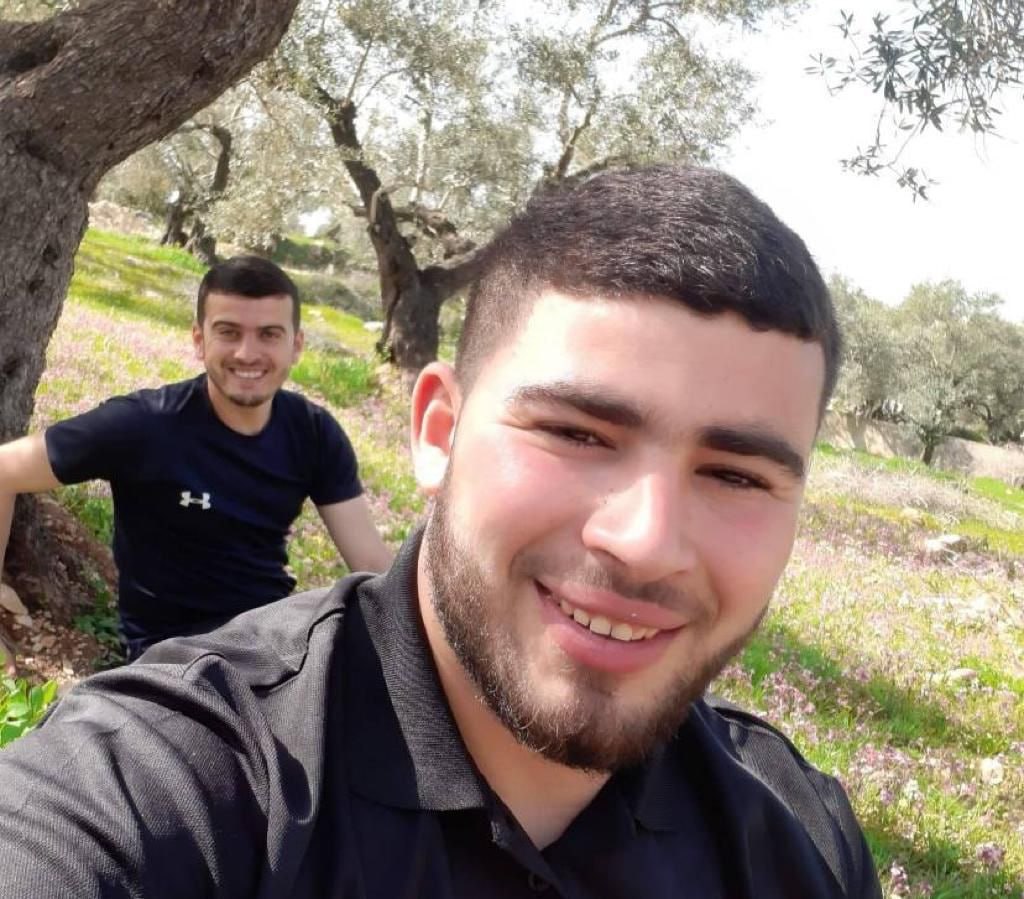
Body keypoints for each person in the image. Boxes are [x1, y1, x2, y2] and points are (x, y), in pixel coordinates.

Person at [0, 166, 881, 898]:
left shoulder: (801, 835)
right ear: (438, 433)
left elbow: (366, 557)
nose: (646, 540)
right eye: (576, 433)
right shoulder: (165, 782)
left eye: (736, 475)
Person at [0, 255, 391, 661]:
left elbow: (370, 564)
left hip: (276, 645)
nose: (247, 353)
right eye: (228, 332)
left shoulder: (313, 432)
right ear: (199, 340)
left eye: (269, 334)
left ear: (296, 346)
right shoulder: (144, 425)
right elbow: (5, 469)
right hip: (173, 659)